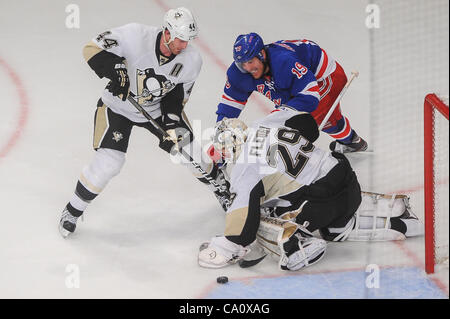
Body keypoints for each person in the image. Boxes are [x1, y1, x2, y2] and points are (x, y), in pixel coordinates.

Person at [198, 108, 423, 271]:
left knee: (268, 215)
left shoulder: (244, 168)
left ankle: (299, 244)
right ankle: (400, 219)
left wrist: (226, 247)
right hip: (346, 176)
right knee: (335, 225)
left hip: (320, 204)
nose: (224, 157)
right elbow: (308, 124)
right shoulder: (266, 121)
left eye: (223, 150)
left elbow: (242, 228)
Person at [59, 7, 208, 237]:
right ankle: (72, 210)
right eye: (180, 39)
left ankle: (225, 193)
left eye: (188, 40)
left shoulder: (192, 60)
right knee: (110, 162)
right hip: (118, 106)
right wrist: (116, 69)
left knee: (190, 150)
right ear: (167, 33)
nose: (184, 46)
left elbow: (177, 98)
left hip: (157, 108)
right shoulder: (135, 36)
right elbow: (91, 48)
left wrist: (169, 125)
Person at [214, 32, 368, 154]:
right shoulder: (238, 73)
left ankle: (352, 141)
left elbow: (310, 97)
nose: (247, 68)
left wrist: (276, 117)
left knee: (318, 119)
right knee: (284, 120)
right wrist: (222, 137)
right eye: (242, 64)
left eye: (250, 61)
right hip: (291, 83)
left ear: (262, 54)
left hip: (323, 78)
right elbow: (229, 105)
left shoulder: (283, 62)